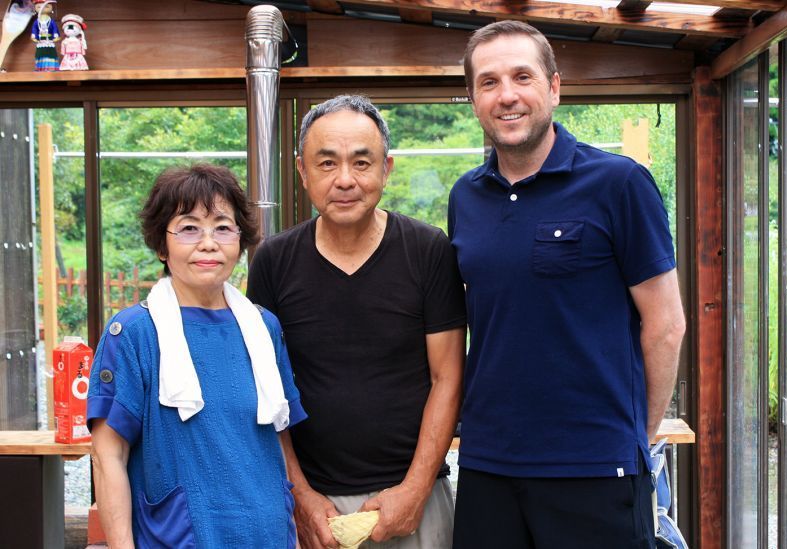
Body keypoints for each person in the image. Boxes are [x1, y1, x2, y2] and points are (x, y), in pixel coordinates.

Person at [448, 21, 686, 548]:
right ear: (473, 99)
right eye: (488, 82)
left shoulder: (619, 183)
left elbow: (666, 325)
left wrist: (635, 438)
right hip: (488, 465)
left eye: (522, 77)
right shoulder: (466, 196)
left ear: (554, 87)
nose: (506, 95)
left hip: (595, 469)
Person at [247, 94, 466, 549]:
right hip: (314, 506)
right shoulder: (273, 261)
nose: (345, 179)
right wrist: (300, 496)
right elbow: (267, 392)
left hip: (416, 499)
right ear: (302, 171)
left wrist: (415, 490)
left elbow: (447, 377)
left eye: (361, 163)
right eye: (327, 163)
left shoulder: (428, 250)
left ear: (387, 169)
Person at [87, 164, 307, 548]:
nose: (208, 243)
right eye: (189, 228)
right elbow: (108, 456)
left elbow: (279, 438)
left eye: (222, 227)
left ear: (240, 240)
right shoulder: (135, 333)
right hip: (179, 538)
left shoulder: (264, 327)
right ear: (162, 245)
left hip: (268, 535)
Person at [30, 0, 59, 72]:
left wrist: (55, 36)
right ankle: (40, 68)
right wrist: (34, 36)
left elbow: (55, 28)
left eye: (46, 6)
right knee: (40, 54)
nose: (42, 8)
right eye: (39, 7)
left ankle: (51, 67)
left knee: (51, 53)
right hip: (40, 40)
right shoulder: (37, 21)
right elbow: (34, 29)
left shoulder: (51, 21)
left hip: (49, 40)